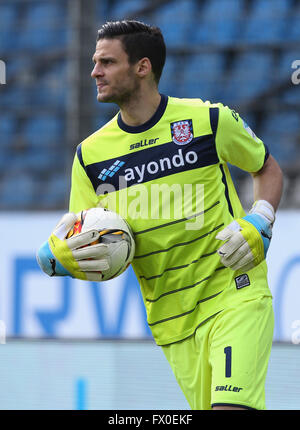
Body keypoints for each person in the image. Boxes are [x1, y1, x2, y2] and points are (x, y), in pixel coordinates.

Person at [37, 20, 283, 410]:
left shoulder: (208, 121)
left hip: (235, 292)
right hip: (171, 320)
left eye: (106, 62)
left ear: (142, 67)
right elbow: (86, 239)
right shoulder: (90, 156)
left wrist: (261, 218)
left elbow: (266, 168)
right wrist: (56, 259)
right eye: (94, 61)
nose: (94, 72)